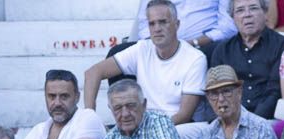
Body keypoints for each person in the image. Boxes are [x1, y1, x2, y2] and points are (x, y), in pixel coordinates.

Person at [86, 0, 207, 128]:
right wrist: (90, 118)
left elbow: (184, 115)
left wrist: (149, 131)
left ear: (177, 24)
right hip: (144, 126)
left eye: (163, 22)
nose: (157, 29)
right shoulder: (142, 48)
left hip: (180, 127)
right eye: (152, 24)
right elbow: (93, 73)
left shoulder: (195, 58)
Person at [190, 66, 276, 139]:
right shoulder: (204, 135)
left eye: (226, 91)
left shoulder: (261, 129)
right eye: (214, 94)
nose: (220, 99)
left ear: (239, 92)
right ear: (208, 98)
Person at [208, 0, 284, 118]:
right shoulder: (222, 50)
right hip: (228, 119)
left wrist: (252, 122)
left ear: (265, 13)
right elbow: (216, 91)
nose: (247, 14)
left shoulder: (282, 45)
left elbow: (274, 92)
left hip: (267, 120)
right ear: (233, 17)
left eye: (253, 8)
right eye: (240, 10)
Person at [130, 0, 237, 47]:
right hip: (159, 45)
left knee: (220, 51)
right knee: (119, 50)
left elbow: (228, 27)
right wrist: (159, 45)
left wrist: (194, 43)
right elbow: (144, 24)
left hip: (205, 45)